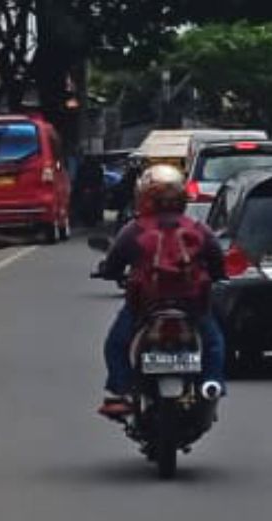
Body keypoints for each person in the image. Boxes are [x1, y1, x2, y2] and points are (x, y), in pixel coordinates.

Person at [93, 164, 227, 419]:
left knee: (116, 343)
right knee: (214, 341)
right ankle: (212, 382)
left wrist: (109, 272)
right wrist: (219, 276)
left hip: (146, 305)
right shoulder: (199, 228)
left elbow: (113, 266)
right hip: (192, 305)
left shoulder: (134, 229)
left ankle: (120, 391)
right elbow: (218, 262)